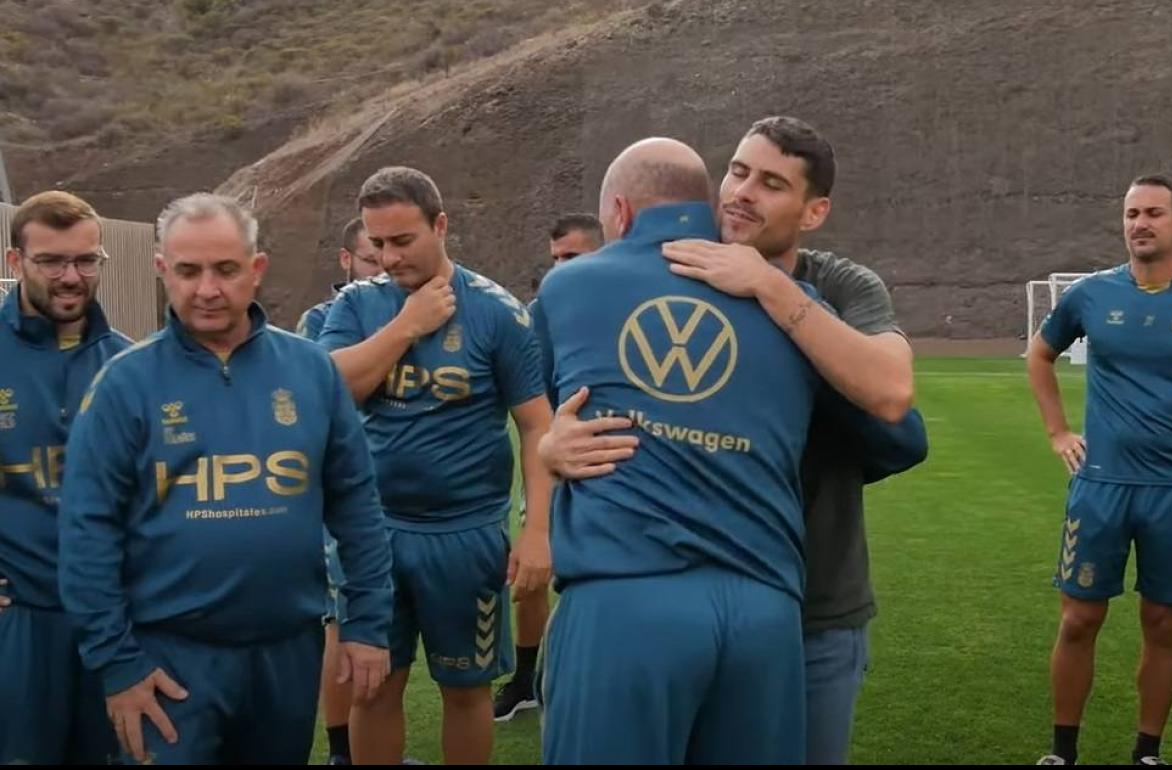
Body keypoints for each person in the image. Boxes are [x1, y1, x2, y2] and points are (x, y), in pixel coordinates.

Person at [541, 117, 928, 765]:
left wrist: (772, 290)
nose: (744, 193)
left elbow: (895, 408)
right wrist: (553, 448)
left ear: (814, 212)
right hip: (738, 590)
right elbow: (562, 402)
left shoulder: (839, 288)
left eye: (772, 184)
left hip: (816, 597)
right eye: (739, 172)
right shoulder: (673, 269)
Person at [57, 193, 394, 765]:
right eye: (188, 271)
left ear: (256, 268)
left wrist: (367, 622)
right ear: (162, 270)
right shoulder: (124, 384)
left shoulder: (311, 370)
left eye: (226, 270)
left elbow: (357, 506)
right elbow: (86, 534)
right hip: (168, 660)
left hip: (286, 653)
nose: (207, 289)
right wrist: (118, 663)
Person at [319, 167, 553, 765]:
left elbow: (536, 424)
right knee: (373, 687)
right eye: (378, 243)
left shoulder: (497, 312)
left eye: (403, 240)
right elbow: (331, 392)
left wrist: (536, 530)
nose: (389, 257)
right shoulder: (357, 304)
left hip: (465, 535)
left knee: (467, 691)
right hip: (373, 535)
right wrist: (407, 326)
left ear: (441, 225)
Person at [1026, 175, 1172, 766]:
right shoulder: (1090, 294)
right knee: (1078, 619)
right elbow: (1039, 354)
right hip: (1100, 485)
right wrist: (1057, 432)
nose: (1140, 224)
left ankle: (1147, 753)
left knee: (1164, 623)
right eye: (1131, 214)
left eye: (1153, 213)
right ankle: (1062, 753)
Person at [0, 191, 129, 764]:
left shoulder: (129, 366)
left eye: (85, 260)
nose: (71, 277)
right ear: (15, 261)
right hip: (20, 620)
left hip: (115, 623)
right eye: (51, 261)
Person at [493, 212, 603, 724]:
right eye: (555, 258)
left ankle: (591, 676)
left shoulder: (629, 302)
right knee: (533, 567)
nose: (560, 268)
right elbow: (532, 398)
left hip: (614, 458)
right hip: (554, 455)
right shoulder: (543, 311)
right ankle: (525, 678)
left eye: (572, 257)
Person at [295, 215, 385, 766]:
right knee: (338, 618)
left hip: (404, 500)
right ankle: (340, 750)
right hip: (343, 496)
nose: (383, 267)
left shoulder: (407, 307)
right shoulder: (318, 321)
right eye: (371, 258)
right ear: (346, 260)